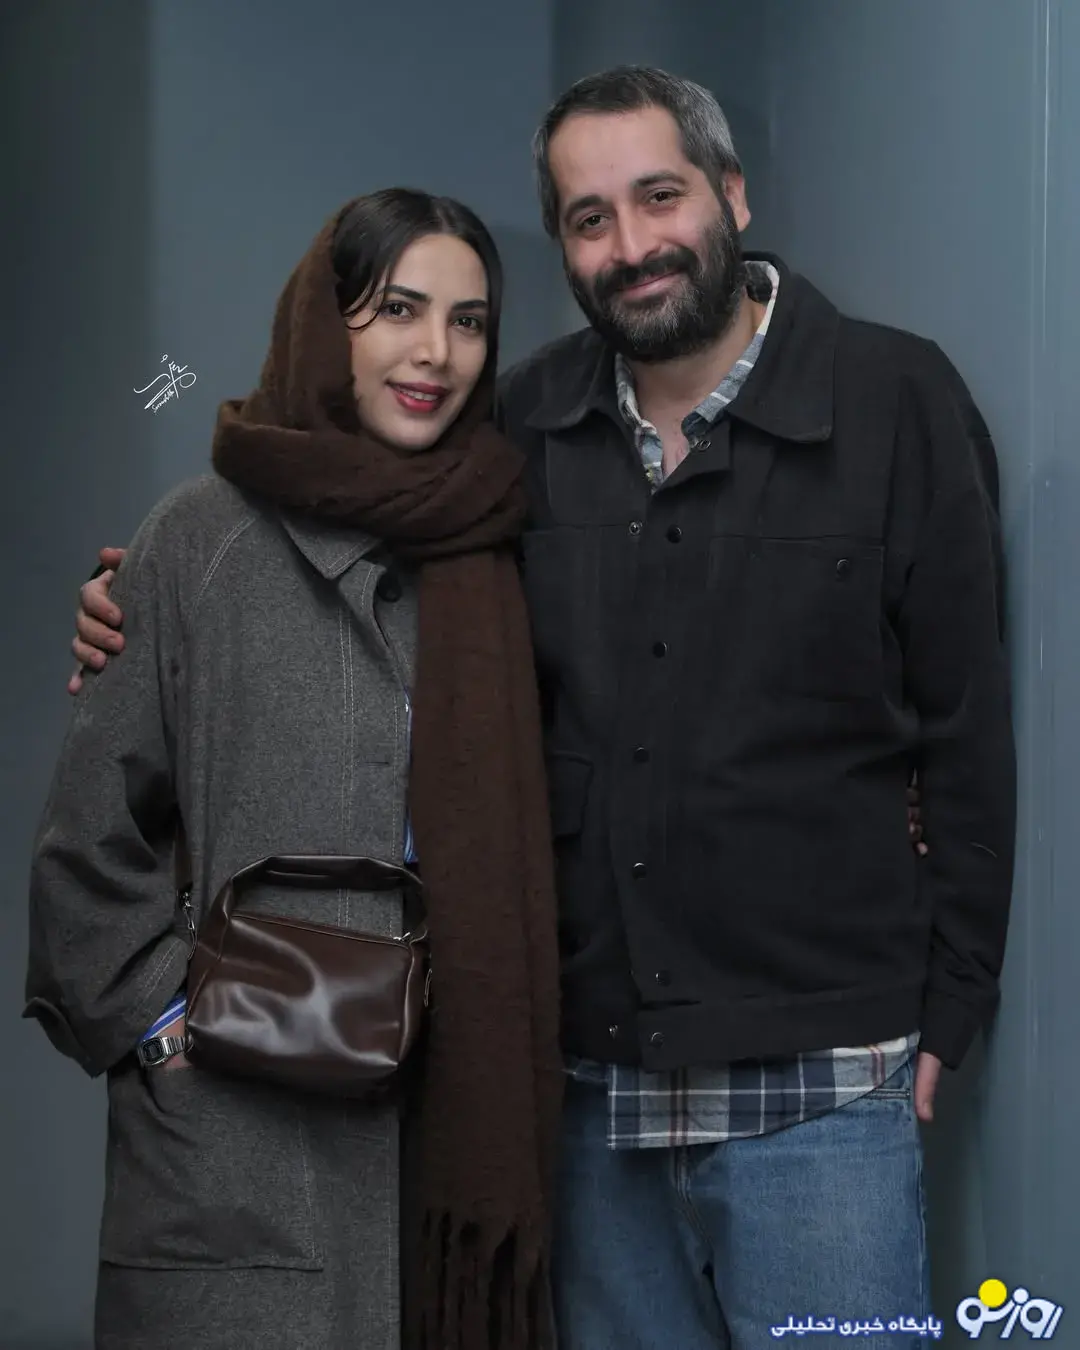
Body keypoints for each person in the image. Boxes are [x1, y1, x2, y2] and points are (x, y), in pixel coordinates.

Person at [67, 65, 1013, 1350]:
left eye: (661, 197)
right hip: (584, 1098)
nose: (632, 245)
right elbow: (341, 533)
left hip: (821, 1096)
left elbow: (967, 730)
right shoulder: (517, 433)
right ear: (564, 245)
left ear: (732, 194)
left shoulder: (897, 402)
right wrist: (145, 599)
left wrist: (958, 1000)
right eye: (589, 217)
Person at [28, 188, 563, 1350]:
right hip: (236, 1151)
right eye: (399, 310)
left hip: (448, 1141)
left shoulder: (512, 549)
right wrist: (171, 1027)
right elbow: (85, 851)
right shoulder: (199, 538)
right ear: (327, 322)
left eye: (469, 321)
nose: (436, 353)